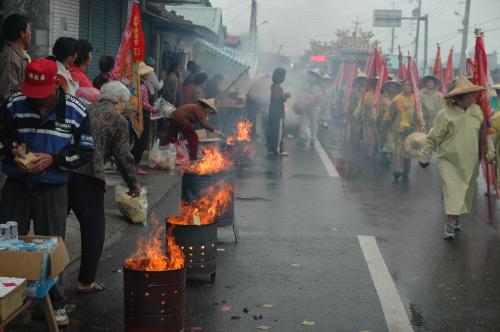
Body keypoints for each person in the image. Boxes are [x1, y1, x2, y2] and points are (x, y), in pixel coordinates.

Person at [0, 59, 94, 325]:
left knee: (52, 246)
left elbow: (85, 152)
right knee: (7, 245)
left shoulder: (76, 110)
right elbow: (1, 138)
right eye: (32, 94)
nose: (37, 101)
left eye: (43, 95)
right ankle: (9, 303)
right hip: (17, 185)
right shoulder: (13, 104)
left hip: (53, 187)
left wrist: (54, 159)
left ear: (57, 83)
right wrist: (12, 150)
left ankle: (55, 303)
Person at [69, 81, 139, 293]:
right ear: (118, 101)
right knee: (94, 231)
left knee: (54, 231)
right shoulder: (118, 119)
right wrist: (133, 183)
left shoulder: (84, 108)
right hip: (89, 176)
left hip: (63, 171)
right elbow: (123, 156)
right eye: (123, 104)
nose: (123, 108)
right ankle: (85, 281)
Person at [419, 77, 490, 240]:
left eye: (473, 94)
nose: (473, 97)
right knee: (452, 191)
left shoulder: (476, 112)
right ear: (458, 97)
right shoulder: (445, 114)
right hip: (448, 160)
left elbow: (484, 135)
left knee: (465, 192)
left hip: (470, 160)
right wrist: (425, 156)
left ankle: (456, 218)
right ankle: (449, 224)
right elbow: (433, 137)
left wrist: (488, 152)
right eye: (469, 95)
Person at [384, 79, 424, 181]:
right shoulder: (397, 100)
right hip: (398, 129)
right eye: (404, 85)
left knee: (408, 152)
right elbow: (389, 114)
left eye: (408, 85)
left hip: (411, 130)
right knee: (398, 151)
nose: (406, 87)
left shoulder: (416, 100)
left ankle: (406, 172)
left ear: (412, 87)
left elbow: (419, 115)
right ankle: (397, 171)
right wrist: (386, 125)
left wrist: (421, 125)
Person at [0, 13, 31, 105]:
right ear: (22, 33)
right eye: (29, 30)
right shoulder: (10, 59)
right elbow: (7, 96)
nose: (30, 33)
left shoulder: (18, 55)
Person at [130, 62, 155, 175]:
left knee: (134, 139)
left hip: (133, 114)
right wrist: (154, 109)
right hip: (142, 115)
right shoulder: (143, 86)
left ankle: (130, 164)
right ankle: (136, 165)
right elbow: (145, 104)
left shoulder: (132, 84)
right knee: (142, 140)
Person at [267, 67, 291, 155]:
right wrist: (285, 96)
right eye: (284, 75)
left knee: (273, 129)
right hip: (277, 112)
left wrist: (283, 96)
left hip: (274, 111)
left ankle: (272, 148)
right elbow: (276, 98)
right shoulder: (277, 87)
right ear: (279, 76)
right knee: (278, 130)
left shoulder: (274, 86)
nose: (285, 77)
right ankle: (277, 149)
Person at [297, 69, 324, 146]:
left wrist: (314, 98)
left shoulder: (320, 86)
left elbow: (321, 96)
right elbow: (300, 92)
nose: (311, 76)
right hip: (304, 105)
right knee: (303, 121)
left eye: (314, 75)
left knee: (313, 123)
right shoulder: (305, 83)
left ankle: (313, 139)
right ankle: (302, 137)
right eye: (311, 74)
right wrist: (301, 101)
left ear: (317, 77)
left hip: (315, 107)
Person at [378, 79, 402, 165]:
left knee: (390, 140)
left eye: (394, 87)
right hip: (383, 121)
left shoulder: (399, 98)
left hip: (394, 122)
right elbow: (378, 109)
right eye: (390, 87)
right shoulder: (382, 97)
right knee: (382, 139)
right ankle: (383, 154)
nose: (392, 88)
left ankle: (388, 155)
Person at [70, 39, 100, 103]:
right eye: (89, 53)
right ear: (83, 55)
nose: (91, 56)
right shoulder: (74, 74)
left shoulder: (81, 72)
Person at [358, 77, 378, 156]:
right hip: (367, 119)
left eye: (376, 83)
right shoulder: (367, 94)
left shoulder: (380, 95)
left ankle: (375, 150)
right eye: (373, 83)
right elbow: (364, 106)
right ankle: (368, 151)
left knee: (376, 136)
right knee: (368, 135)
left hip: (377, 118)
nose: (374, 85)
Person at [246, 74, 270, 139]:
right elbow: (252, 93)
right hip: (251, 102)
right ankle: (251, 134)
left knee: (254, 118)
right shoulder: (260, 82)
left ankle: (253, 133)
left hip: (254, 102)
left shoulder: (261, 82)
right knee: (252, 118)